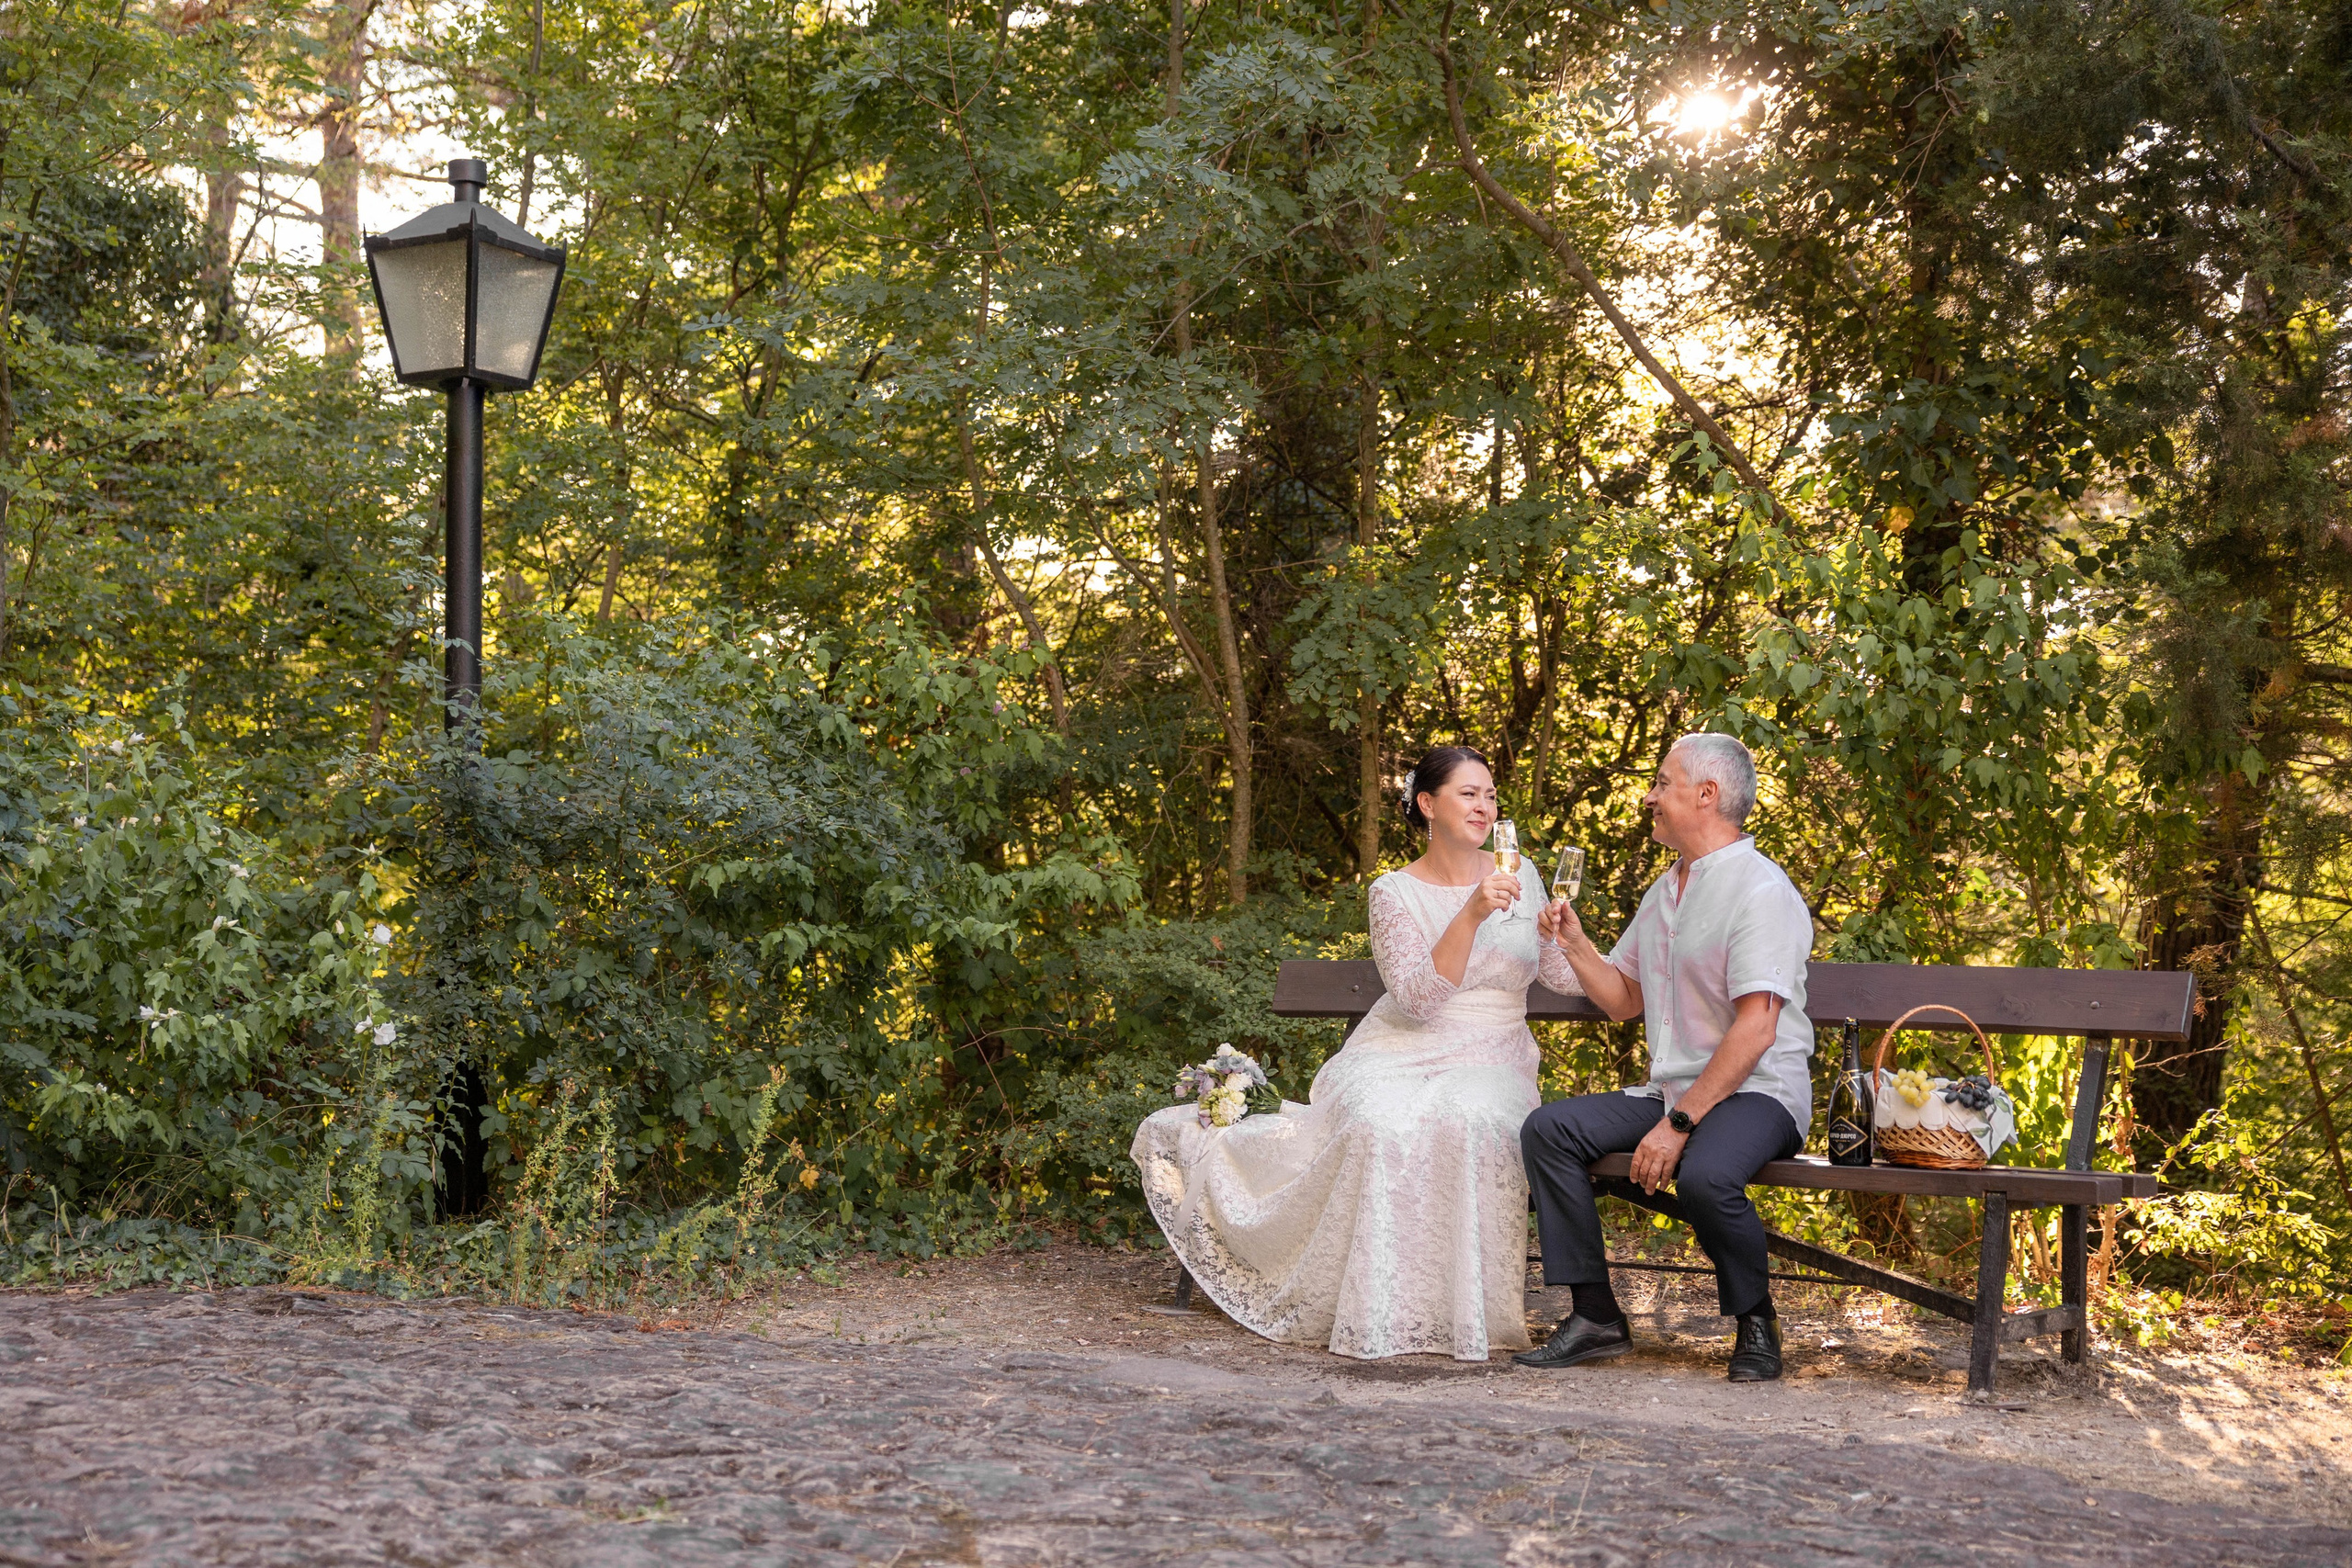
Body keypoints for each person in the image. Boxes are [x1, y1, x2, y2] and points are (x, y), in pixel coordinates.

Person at [1129, 746, 1585, 1360]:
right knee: (1376, 1123)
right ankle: (1377, 1310)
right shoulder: (1392, 892)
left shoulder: (1522, 872)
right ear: (1428, 804)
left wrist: (1569, 937)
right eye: (1468, 793)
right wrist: (1472, 912)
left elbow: (1558, 974)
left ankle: (1459, 1314)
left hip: (1493, 1053)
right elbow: (1418, 1001)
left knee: (1470, 1119)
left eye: (1491, 795)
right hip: (1400, 1046)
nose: (1484, 806)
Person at [1516, 732, 1815, 1382]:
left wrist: (1677, 1125)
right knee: (1549, 1130)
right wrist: (1575, 944)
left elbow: (1757, 1030)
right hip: (1675, 1091)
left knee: (1705, 1175)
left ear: (1706, 794)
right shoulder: (1665, 891)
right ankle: (1595, 1316)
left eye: (1662, 782)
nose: (1650, 796)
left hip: (1759, 1092)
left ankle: (1757, 1320)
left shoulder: (1761, 890)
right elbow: (1623, 998)